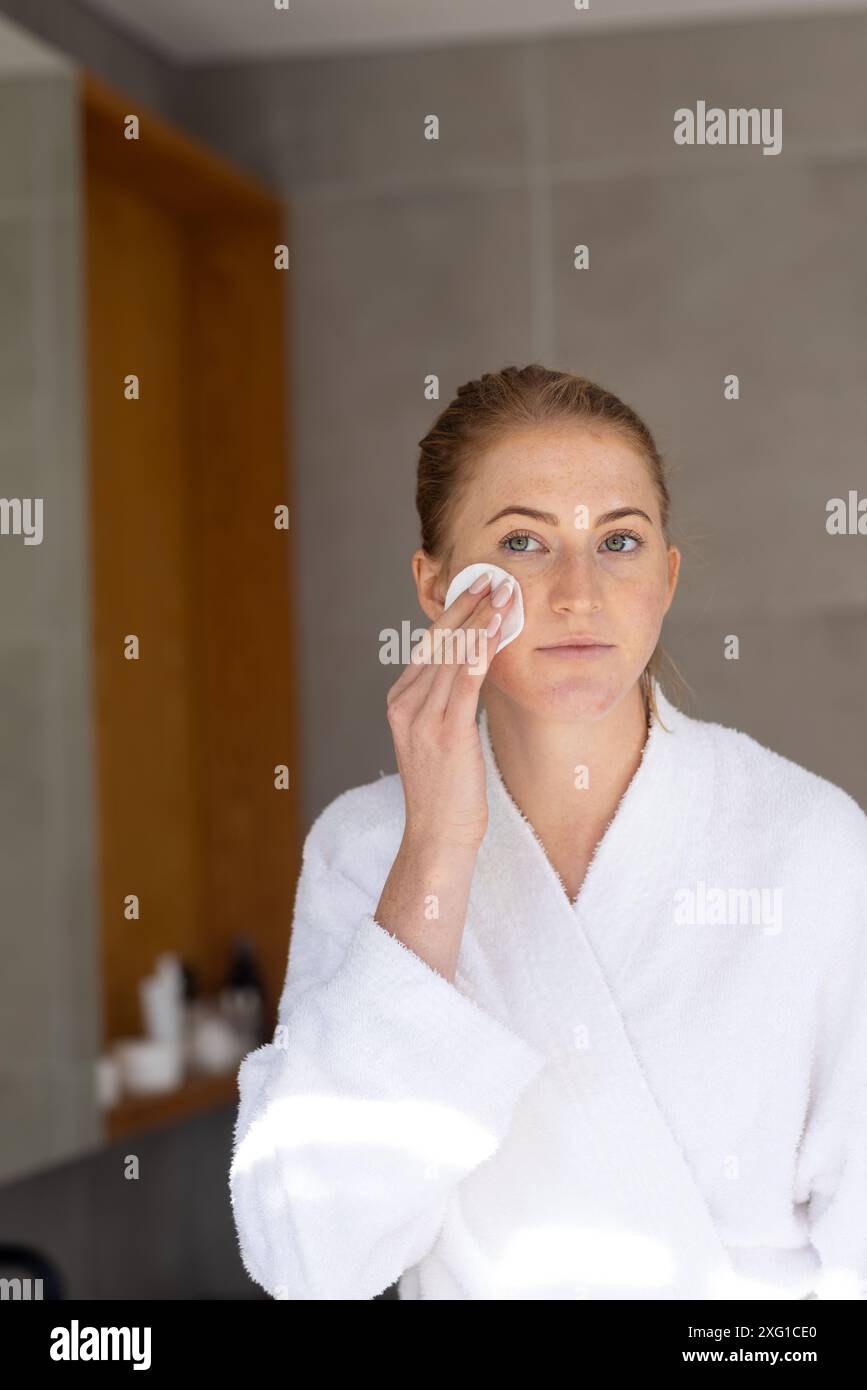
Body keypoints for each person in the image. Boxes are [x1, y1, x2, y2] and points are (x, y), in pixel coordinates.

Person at [229, 364, 867, 1300]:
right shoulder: (363, 850)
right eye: (523, 541)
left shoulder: (808, 840)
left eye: (618, 541)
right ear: (436, 583)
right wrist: (437, 848)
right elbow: (309, 1259)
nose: (578, 591)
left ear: (666, 577)